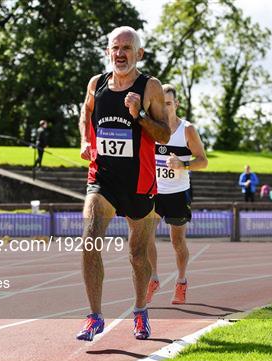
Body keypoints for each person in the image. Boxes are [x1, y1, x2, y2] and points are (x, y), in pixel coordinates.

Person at [76, 26, 171, 341]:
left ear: (139, 54)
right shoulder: (97, 83)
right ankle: (94, 317)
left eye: (127, 48)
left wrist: (139, 113)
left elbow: (164, 134)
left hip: (139, 183)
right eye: (115, 48)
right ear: (107, 52)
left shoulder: (150, 87)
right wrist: (85, 141)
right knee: (90, 240)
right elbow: (86, 112)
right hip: (102, 179)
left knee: (137, 253)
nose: (120, 53)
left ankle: (140, 310)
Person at [146, 84, 208, 305]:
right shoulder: (151, 127)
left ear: (176, 104)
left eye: (169, 103)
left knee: (177, 240)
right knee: (144, 237)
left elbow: (203, 161)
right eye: (161, 103)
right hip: (153, 191)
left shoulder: (187, 130)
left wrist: (182, 163)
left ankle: (181, 281)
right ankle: (152, 278)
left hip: (178, 193)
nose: (165, 108)